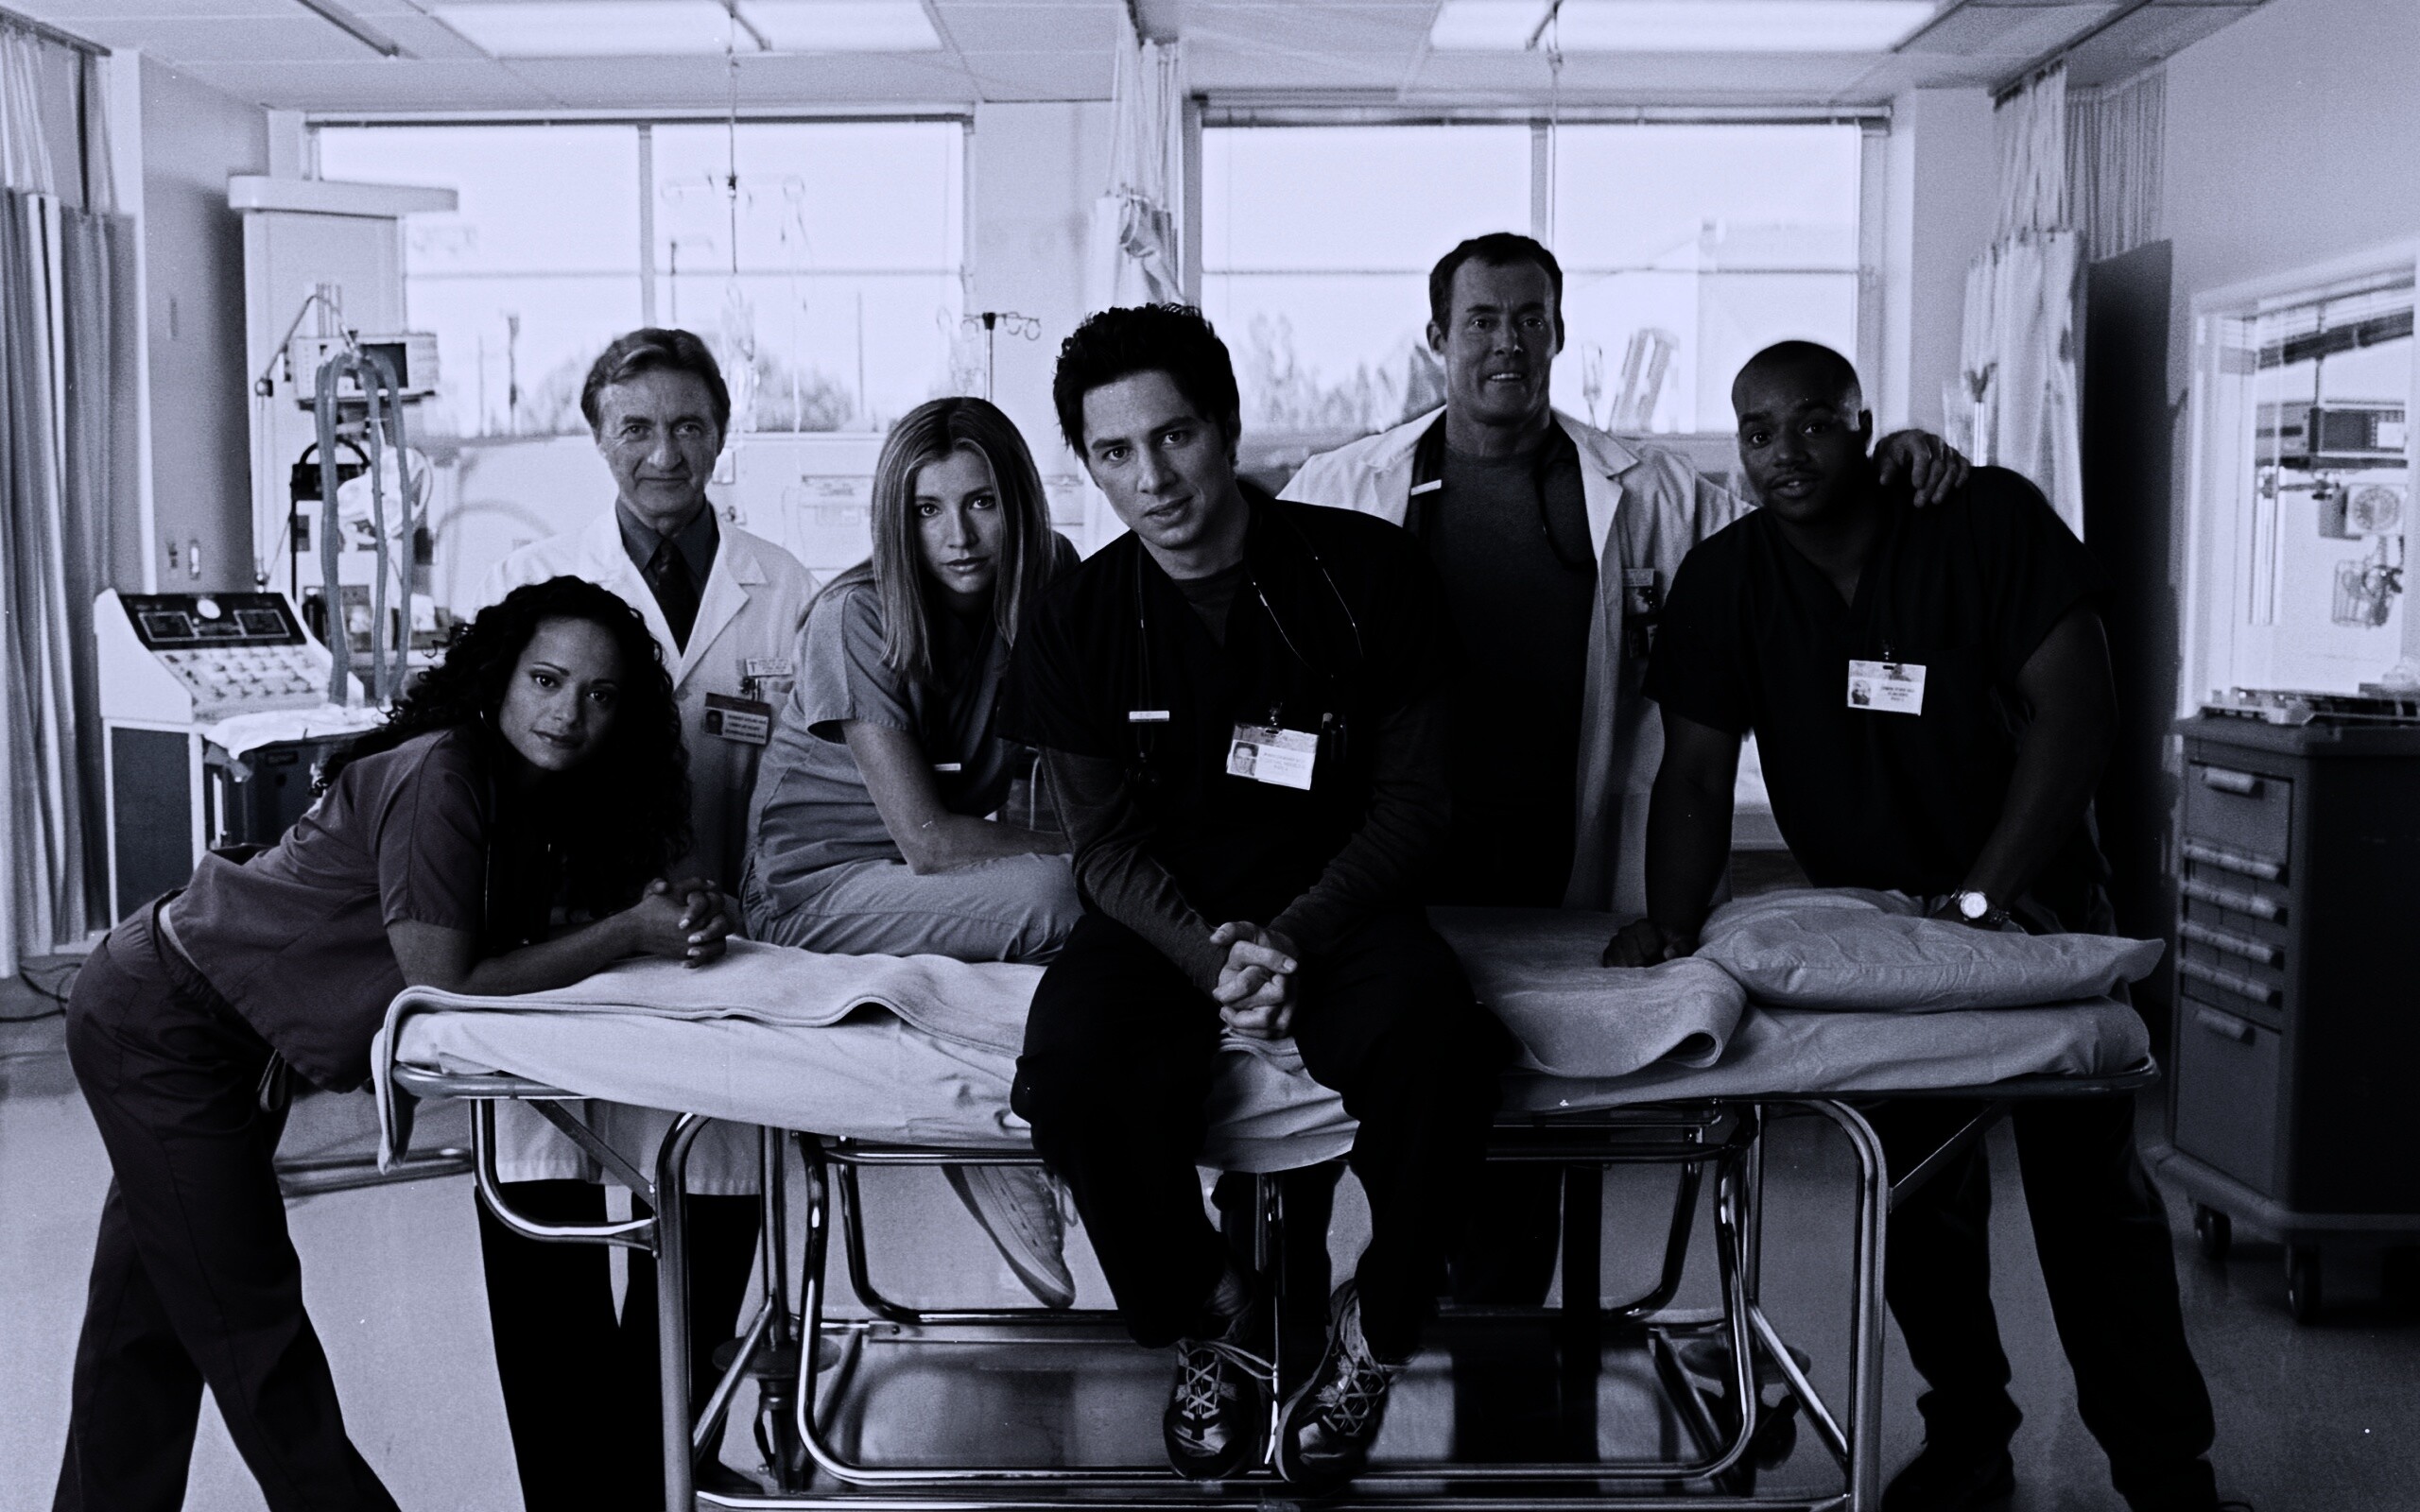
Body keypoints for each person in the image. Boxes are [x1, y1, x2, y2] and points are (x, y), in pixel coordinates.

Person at [1278, 232, 1971, 1452]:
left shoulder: (1643, 491)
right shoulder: (1341, 487)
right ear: (1436, 338)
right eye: (1481, 319)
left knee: (1526, 1141)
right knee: (1359, 1122)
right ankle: (1326, 1340)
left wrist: (1894, 456)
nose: (1506, 341)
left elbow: (1789, 523)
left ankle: (1495, 1397)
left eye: (1529, 318)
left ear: (1558, 332)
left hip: (1562, 872)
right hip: (1390, 870)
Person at [1608, 341, 2226, 1512]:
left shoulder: (1979, 520)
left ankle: (2167, 1478)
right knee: (1917, 1202)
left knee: (2093, 1207)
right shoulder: (1727, 580)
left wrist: (1983, 900)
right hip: (1880, 945)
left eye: (1813, 423)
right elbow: (1692, 771)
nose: (1784, 453)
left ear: (1864, 425)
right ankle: (1969, 1437)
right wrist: (1670, 925)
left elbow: (2079, 713)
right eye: (1756, 432)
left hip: (2036, 914)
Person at [52, 576, 729, 1512]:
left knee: (147, 1326)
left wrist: (661, 911)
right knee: (253, 1335)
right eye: (546, 680)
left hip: (217, 1031)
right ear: (500, 676)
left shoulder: (532, 797)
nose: (568, 713)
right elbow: (445, 977)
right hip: (163, 1020)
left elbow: (520, 934)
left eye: (600, 695)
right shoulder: (441, 774)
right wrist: (629, 934)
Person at [1004, 303, 1512, 1492]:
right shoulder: (1077, 619)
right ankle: (1214, 1311)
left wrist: (1288, 936)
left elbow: (1416, 807)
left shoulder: (1366, 574)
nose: (1152, 479)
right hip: (1160, 921)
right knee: (1070, 1071)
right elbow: (1105, 849)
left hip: (1345, 903)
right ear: (1087, 464)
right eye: (1115, 452)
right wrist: (1212, 956)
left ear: (1227, 427)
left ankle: (1375, 1324)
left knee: (1440, 1047)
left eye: (1173, 437)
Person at [475, 328, 818, 1505]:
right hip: (560, 955)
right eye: (636, 427)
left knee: (709, 1224)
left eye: (687, 426)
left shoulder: (786, 590)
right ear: (597, 437)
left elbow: (812, 784)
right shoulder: (529, 581)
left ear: (722, 432)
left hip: (725, 950)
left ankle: (661, 1469)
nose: (663, 452)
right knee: (546, 1226)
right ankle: (575, 1494)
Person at [744, 395, 1083, 1307]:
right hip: (814, 890)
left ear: (1020, 501)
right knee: (1066, 895)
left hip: (927, 875)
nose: (957, 536)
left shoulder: (1052, 580)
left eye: (981, 502)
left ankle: (1036, 1124)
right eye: (927, 510)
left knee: (1108, 898)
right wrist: (1096, 855)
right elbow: (929, 843)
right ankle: (992, 1144)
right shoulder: (854, 614)